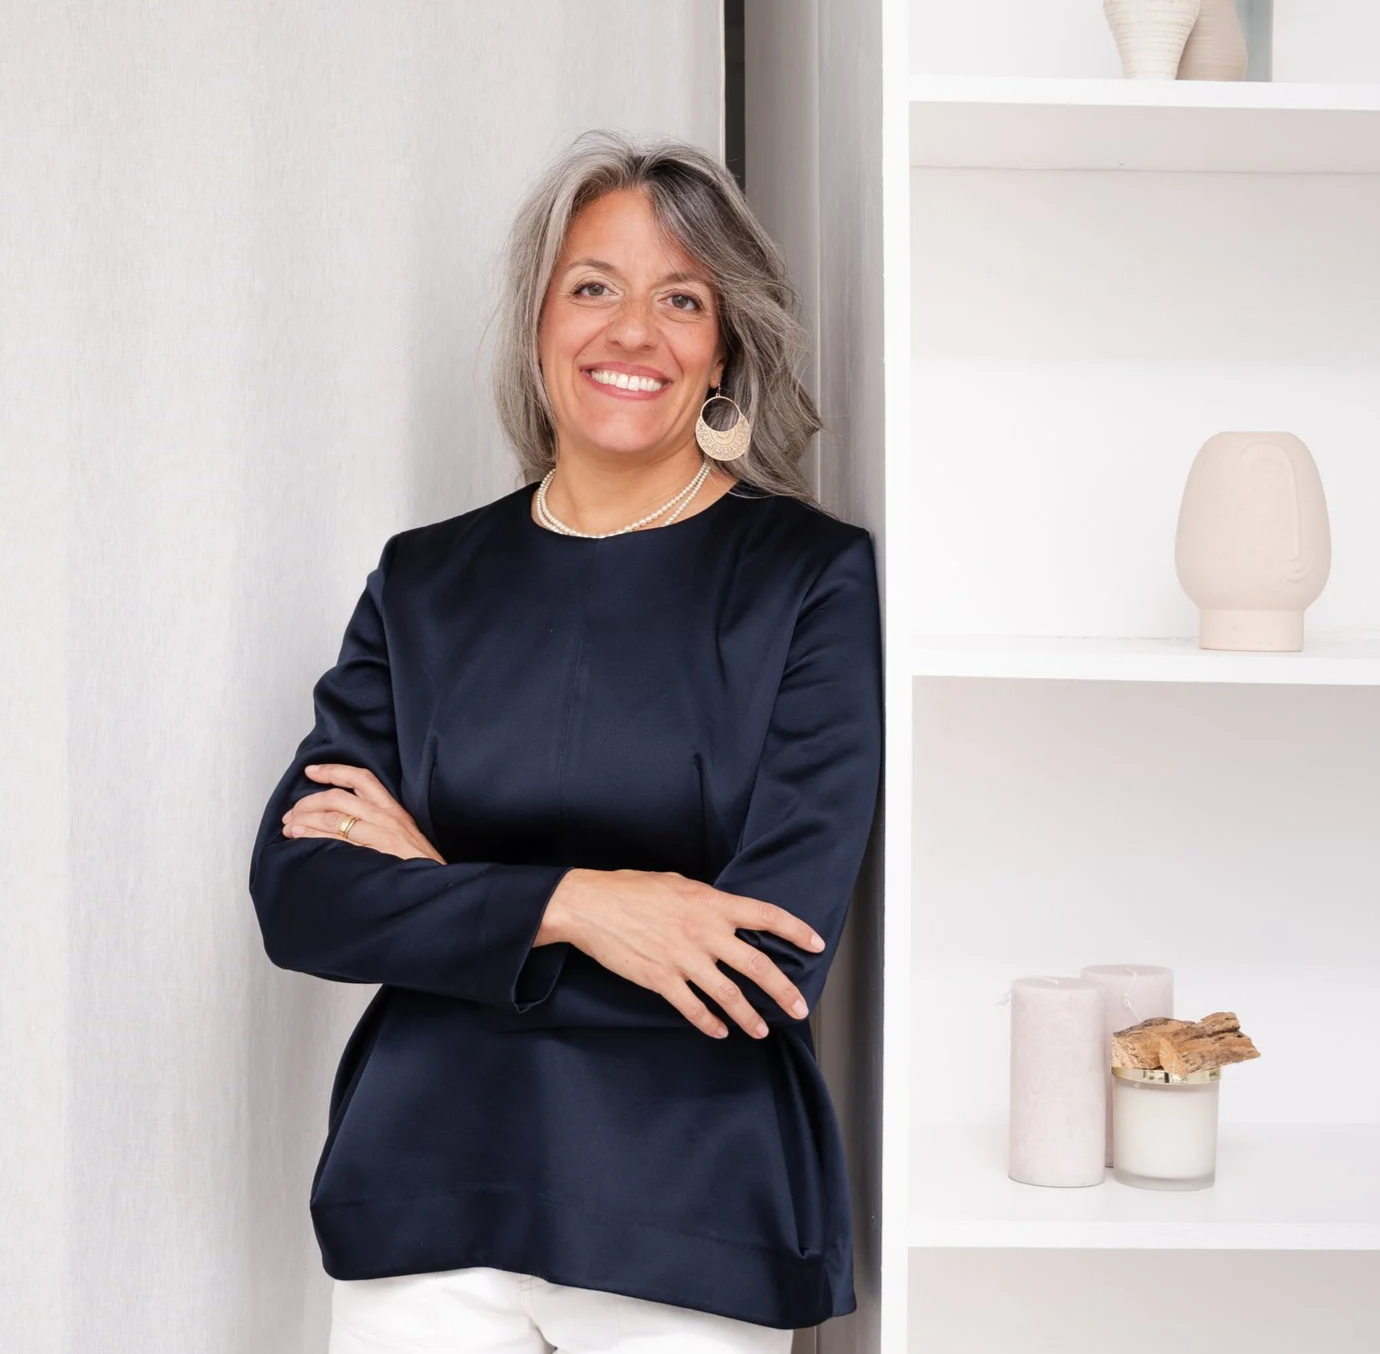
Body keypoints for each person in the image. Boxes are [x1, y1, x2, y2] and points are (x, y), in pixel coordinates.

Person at [249, 130, 883, 1353]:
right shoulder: (424, 582)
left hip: (691, 1214)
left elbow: (761, 962)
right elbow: (303, 896)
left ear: (722, 347)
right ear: (538, 324)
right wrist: (581, 904)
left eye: (680, 298)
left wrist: (444, 894)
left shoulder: (806, 580)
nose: (632, 331)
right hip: (426, 1197)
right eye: (593, 286)